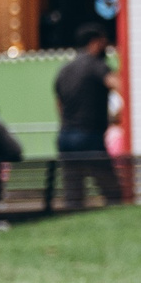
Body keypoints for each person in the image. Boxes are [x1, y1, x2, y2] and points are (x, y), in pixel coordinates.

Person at [53, 22, 122, 206]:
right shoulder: (96, 65)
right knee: (112, 189)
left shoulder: (64, 70)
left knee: (73, 192)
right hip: (89, 134)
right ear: (95, 42)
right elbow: (118, 86)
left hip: (66, 135)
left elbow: (59, 104)